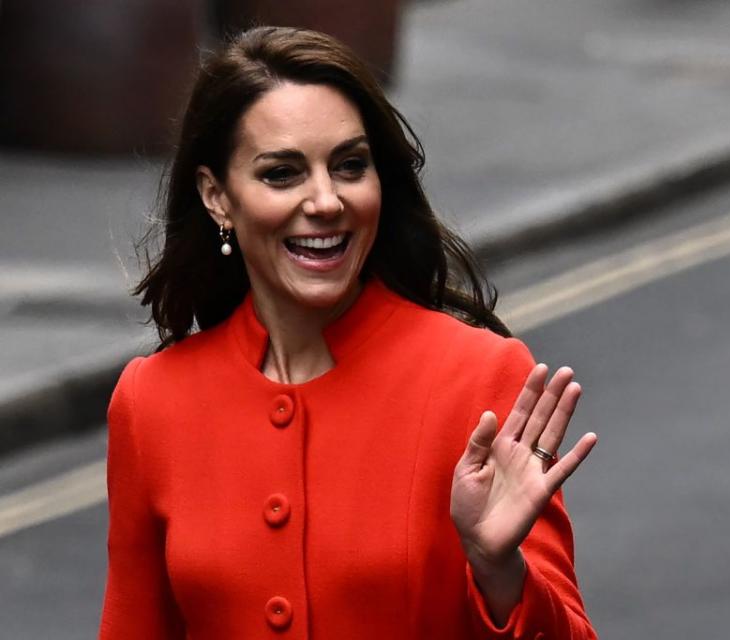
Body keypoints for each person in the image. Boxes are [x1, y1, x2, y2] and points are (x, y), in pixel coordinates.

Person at [99, 26, 598, 639]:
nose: (327, 200)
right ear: (216, 197)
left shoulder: (481, 378)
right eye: (282, 173)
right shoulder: (152, 403)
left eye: (350, 166)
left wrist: (499, 569)